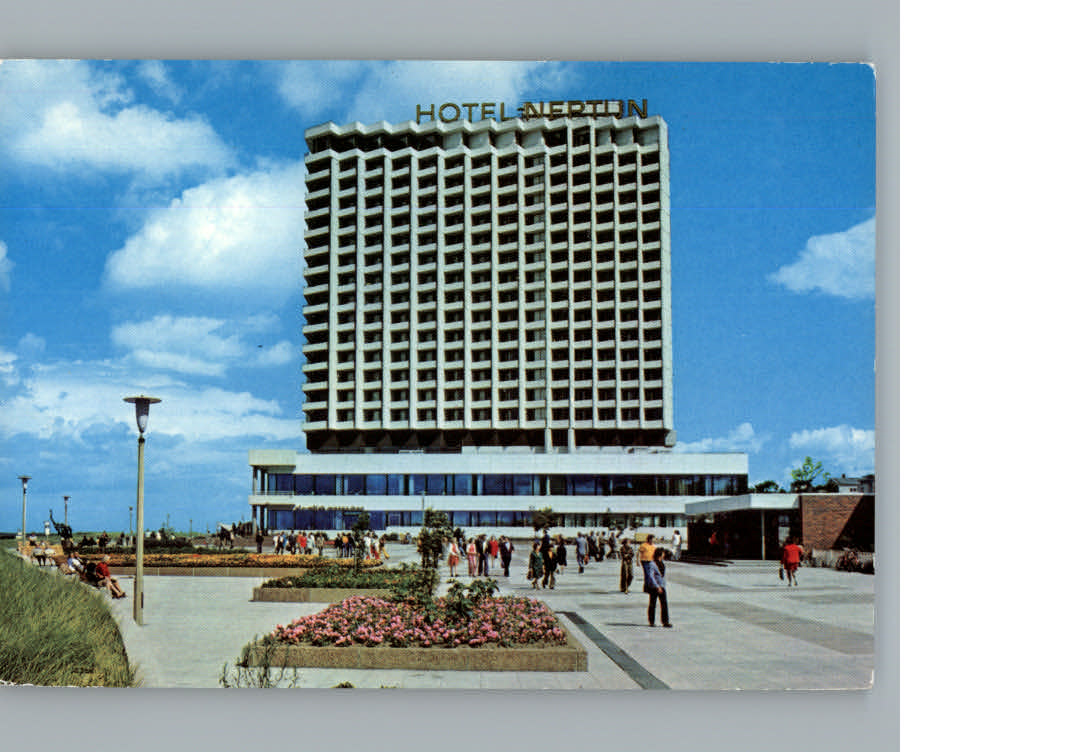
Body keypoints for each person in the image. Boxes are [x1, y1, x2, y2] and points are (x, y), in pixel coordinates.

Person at [643, 547, 671, 627]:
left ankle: (665, 621)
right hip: (654, 587)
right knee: (652, 603)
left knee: (664, 604)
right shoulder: (652, 564)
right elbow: (651, 576)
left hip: (662, 586)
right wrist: (657, 586)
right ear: (660, 554)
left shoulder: (661, 562)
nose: (664, 554)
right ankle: (651, 621)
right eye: (663, 553)